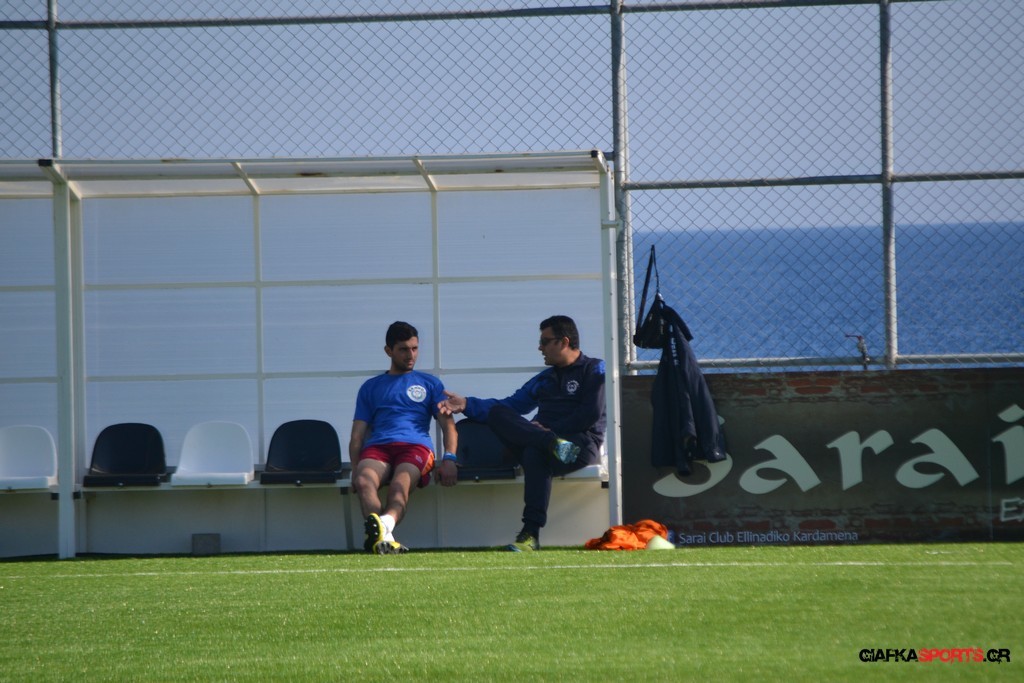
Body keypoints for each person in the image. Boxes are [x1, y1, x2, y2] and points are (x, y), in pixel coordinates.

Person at [438, 315, 605, 551]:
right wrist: (466, 403)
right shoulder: (545, 378)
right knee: (498, 413)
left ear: (564, 342)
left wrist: (552, 430)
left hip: (580, 445)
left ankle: (530, 533)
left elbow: (590, 414)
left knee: (534, 453)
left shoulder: (595, 368)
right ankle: (549, 443)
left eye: (545, 341)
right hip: (545, 442)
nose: (540, 348)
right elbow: (512, 405)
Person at [350, 321, 458, 554]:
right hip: (378, 447)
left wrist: (450, 458)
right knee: (363, 481)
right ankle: (385, 538)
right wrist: (355, 469)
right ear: (388, 351)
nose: (411, 355)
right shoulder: (370, 387)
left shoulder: (430, 384)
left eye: (415, 348)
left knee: (400, 485)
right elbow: (357, 435)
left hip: (416, 447)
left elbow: (448, 426)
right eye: (403, 349)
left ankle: (383, 528)